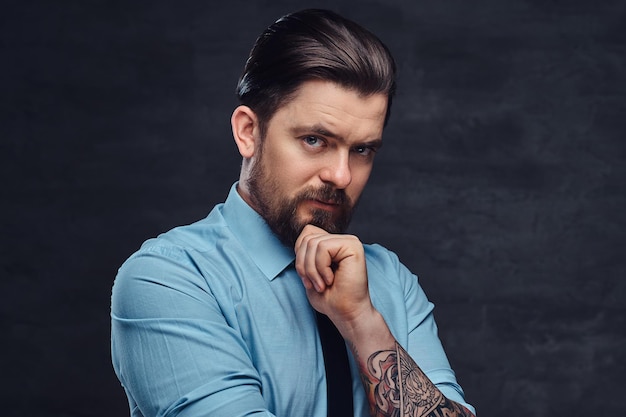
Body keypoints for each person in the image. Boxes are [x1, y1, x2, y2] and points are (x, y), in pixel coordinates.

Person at [111, 8, 476, 417]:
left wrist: (361, 321)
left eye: (361, 150)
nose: (340, 175)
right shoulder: (170, 280)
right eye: (315, 140)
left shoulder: (392, 283)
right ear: (249, 131)